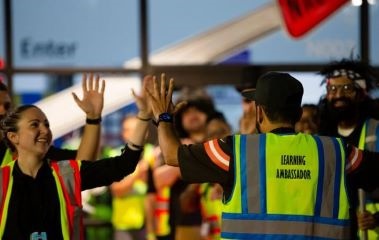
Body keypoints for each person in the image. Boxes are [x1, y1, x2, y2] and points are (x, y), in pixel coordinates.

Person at [146, 71, 379, 239]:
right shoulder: (337, 152)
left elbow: (172, 155)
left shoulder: (235, 151)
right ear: (298, 113)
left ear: (259, 113)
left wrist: (164, 117)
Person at [0, 75, 152, 239]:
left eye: (46, 124)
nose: (44, 130)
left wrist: (143, 116)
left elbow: (123, 165)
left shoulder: (68, 173)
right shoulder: (3, 180)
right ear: (13, 137)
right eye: (34, 125)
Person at [318, 59, 379, 238]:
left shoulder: (376, 130)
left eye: (347, 89)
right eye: (332, 89)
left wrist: (377, 218)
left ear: (361, 94)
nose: (338, 96)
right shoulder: (322, 138)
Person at [0, 73, 103, 166]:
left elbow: (83, 164)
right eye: (34, 124)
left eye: (7, 105)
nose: (3, 111)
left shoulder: (27, 147)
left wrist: (93, 118)